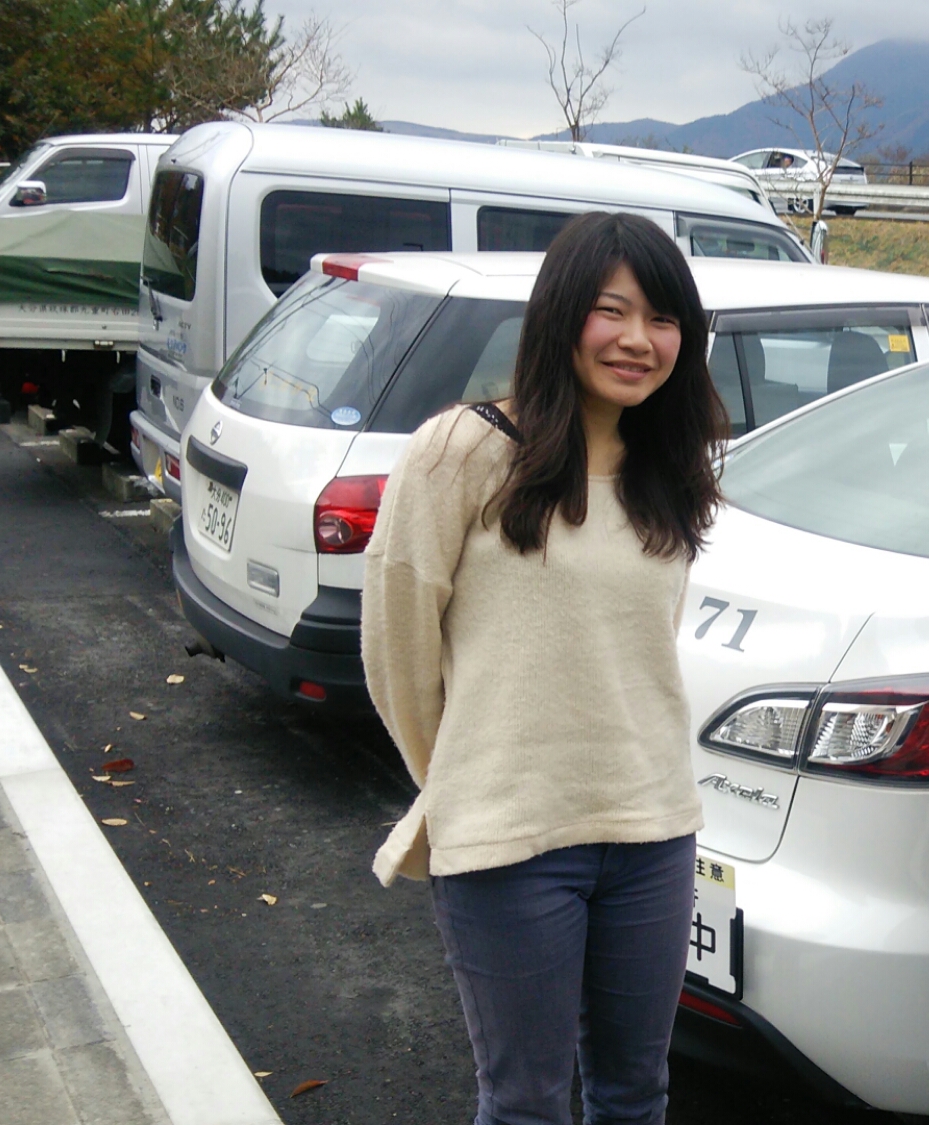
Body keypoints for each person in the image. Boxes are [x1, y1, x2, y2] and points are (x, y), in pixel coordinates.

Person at [363, 210, 727, 1124]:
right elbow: (397, 648)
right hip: (509, 841)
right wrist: (465, 779)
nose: (638, 340)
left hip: (652, 830)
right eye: (613, 311)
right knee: (525, 1100)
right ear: (561, 315)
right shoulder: (460, 451)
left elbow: (642, 646)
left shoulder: (666, 467)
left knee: (636, 1092)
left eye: (663, 319)